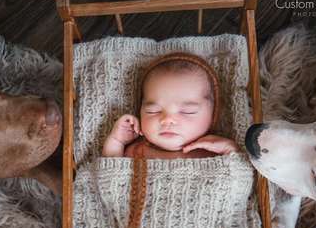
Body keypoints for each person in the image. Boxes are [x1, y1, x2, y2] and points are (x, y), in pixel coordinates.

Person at [102, 53, 238, 158]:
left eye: (188, 111)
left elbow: (239, 180)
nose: (167, 120)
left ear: (213, 115)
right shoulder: (135, 152)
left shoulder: (215, 153)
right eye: (153, 111)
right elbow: (110, 180)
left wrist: (232, 150)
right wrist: (117, 142)